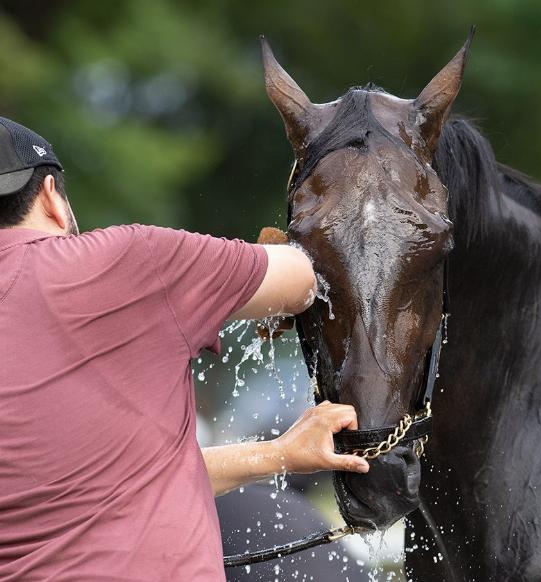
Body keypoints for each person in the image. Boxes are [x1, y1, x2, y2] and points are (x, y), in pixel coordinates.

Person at [0, 116, 369, 581]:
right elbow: (306, 276)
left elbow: (113, 488)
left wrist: (278, 454)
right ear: (51, 196)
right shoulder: (126, 262)